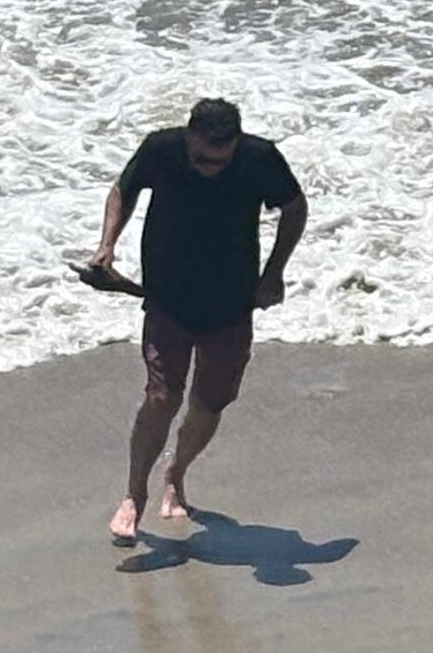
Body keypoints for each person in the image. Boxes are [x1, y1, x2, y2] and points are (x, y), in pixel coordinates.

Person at [94, 97, 306, 545]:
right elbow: (123, 190)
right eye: (202, 158)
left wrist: (274, 273)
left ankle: (176, 474)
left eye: (220, 159)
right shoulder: (162, 149)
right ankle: (134, 495)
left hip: (231, 305)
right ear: (189, 136)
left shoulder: (258, 158)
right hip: (167, 299)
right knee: (161, 397)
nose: (210, 167)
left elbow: (294, 206)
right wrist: (107, 246)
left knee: (210, 403)